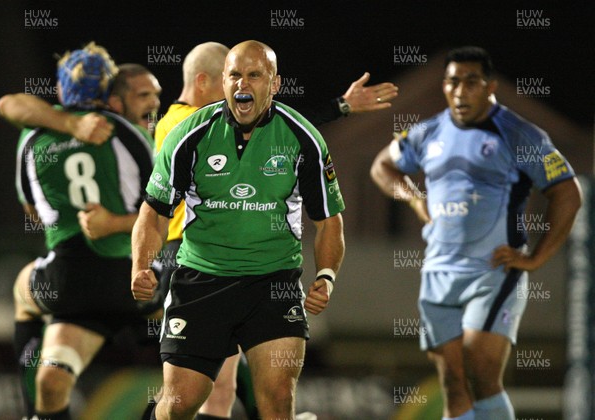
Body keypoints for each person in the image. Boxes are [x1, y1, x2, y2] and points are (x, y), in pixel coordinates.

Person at [151, 41, 397, 420]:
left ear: (275, 82)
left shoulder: (298, 137)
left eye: (253, 75)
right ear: (215, 81)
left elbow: (327, 213)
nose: (241, 85)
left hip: (272, 282)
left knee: (272, 396)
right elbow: (150, 209)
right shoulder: (185, 129)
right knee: (187, 402)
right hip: (199, 273)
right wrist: (140, 262)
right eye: (233, 75)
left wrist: (327, 276)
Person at [370, 46, 582, 420]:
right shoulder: (428, 132)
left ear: (490, 87)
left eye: (471, 82)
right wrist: (416, 200)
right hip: (439, 271)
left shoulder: (519, 134)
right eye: (452, 82)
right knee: (453, 383)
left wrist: (537, 257)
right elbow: (382, 166)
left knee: (480, 373)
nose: (460, 91)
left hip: (492, 272)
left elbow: (567, 193)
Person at [1, 42, 159, 420]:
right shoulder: (132, 133)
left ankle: (30, 414)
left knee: (46, 361)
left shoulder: (33, 137)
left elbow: (33, 211)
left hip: (69, 283)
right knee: (215, 338)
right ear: (109, 93)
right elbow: (160, 209)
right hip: (135, 280)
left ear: (59, 90)